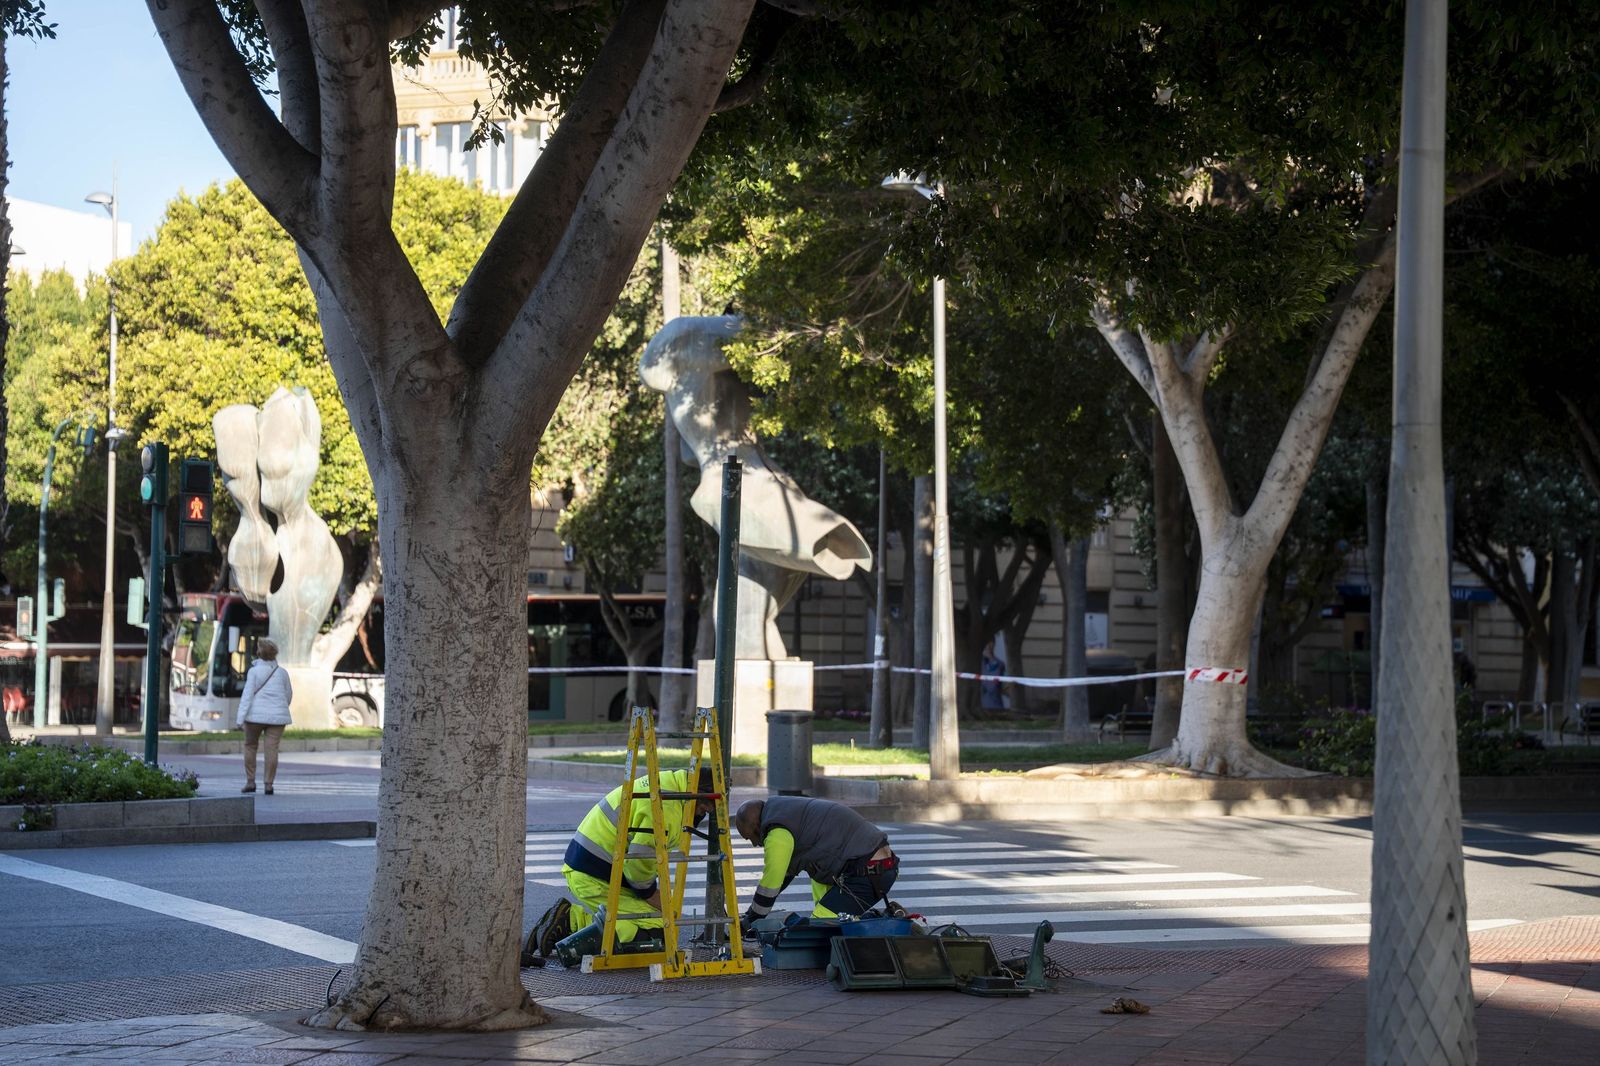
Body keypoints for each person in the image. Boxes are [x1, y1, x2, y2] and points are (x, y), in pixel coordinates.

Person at [532, 765, 717, 967]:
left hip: (599, 869)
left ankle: (575, 922)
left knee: (659, 925)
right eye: (707, 803)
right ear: (699, 792)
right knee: (656, 931)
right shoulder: (668, 809)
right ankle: (571, 919)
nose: (708, 810)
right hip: (594, 875)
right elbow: (639, 863)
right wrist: (650, 894)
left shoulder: (672, 783)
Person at [734, 797, 899, 926]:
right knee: (830, 919)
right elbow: (784, 876)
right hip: (873, 867)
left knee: (821, 927)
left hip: (869, 872)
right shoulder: (786, 813)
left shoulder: (777, 832)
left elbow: (772, 882)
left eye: (750, 838)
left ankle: (884, 921)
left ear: (756, 826)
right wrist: (752, 916)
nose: (755, 844)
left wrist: (752, 919)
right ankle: (882, 919)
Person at [236, 639, 293, 795]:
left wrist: (240, 719)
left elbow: (247, 696)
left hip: (254, 718)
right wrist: (279, 709)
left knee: (250, 746)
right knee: (272, 749)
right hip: (278, 718)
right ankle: (268, 784)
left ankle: (250, 781)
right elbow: (288, 696)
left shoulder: (253, 672)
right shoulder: (282, 673)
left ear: (259, 653)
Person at [980, 641, 1008, 713]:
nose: (987, 647)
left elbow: (991, 686)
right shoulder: (978, 663)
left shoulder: (998, 663)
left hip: (993, 704)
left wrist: (991, 658)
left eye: (990, 643)